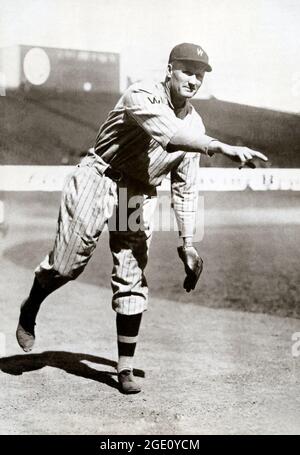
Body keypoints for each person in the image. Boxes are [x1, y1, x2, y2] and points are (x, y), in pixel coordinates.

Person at [16, 43, 268, 394]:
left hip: (133, 195)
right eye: (187, 70)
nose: (194, 79)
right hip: (98, 176)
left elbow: (185, 188)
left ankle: (124, 368)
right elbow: (170, 134)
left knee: (132, 272)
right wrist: (221, 147)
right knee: (66, 266)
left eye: (200, 74)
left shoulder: (195, 122)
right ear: (169, 69)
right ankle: (32, 304)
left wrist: (188, 244)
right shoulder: (142, 94)